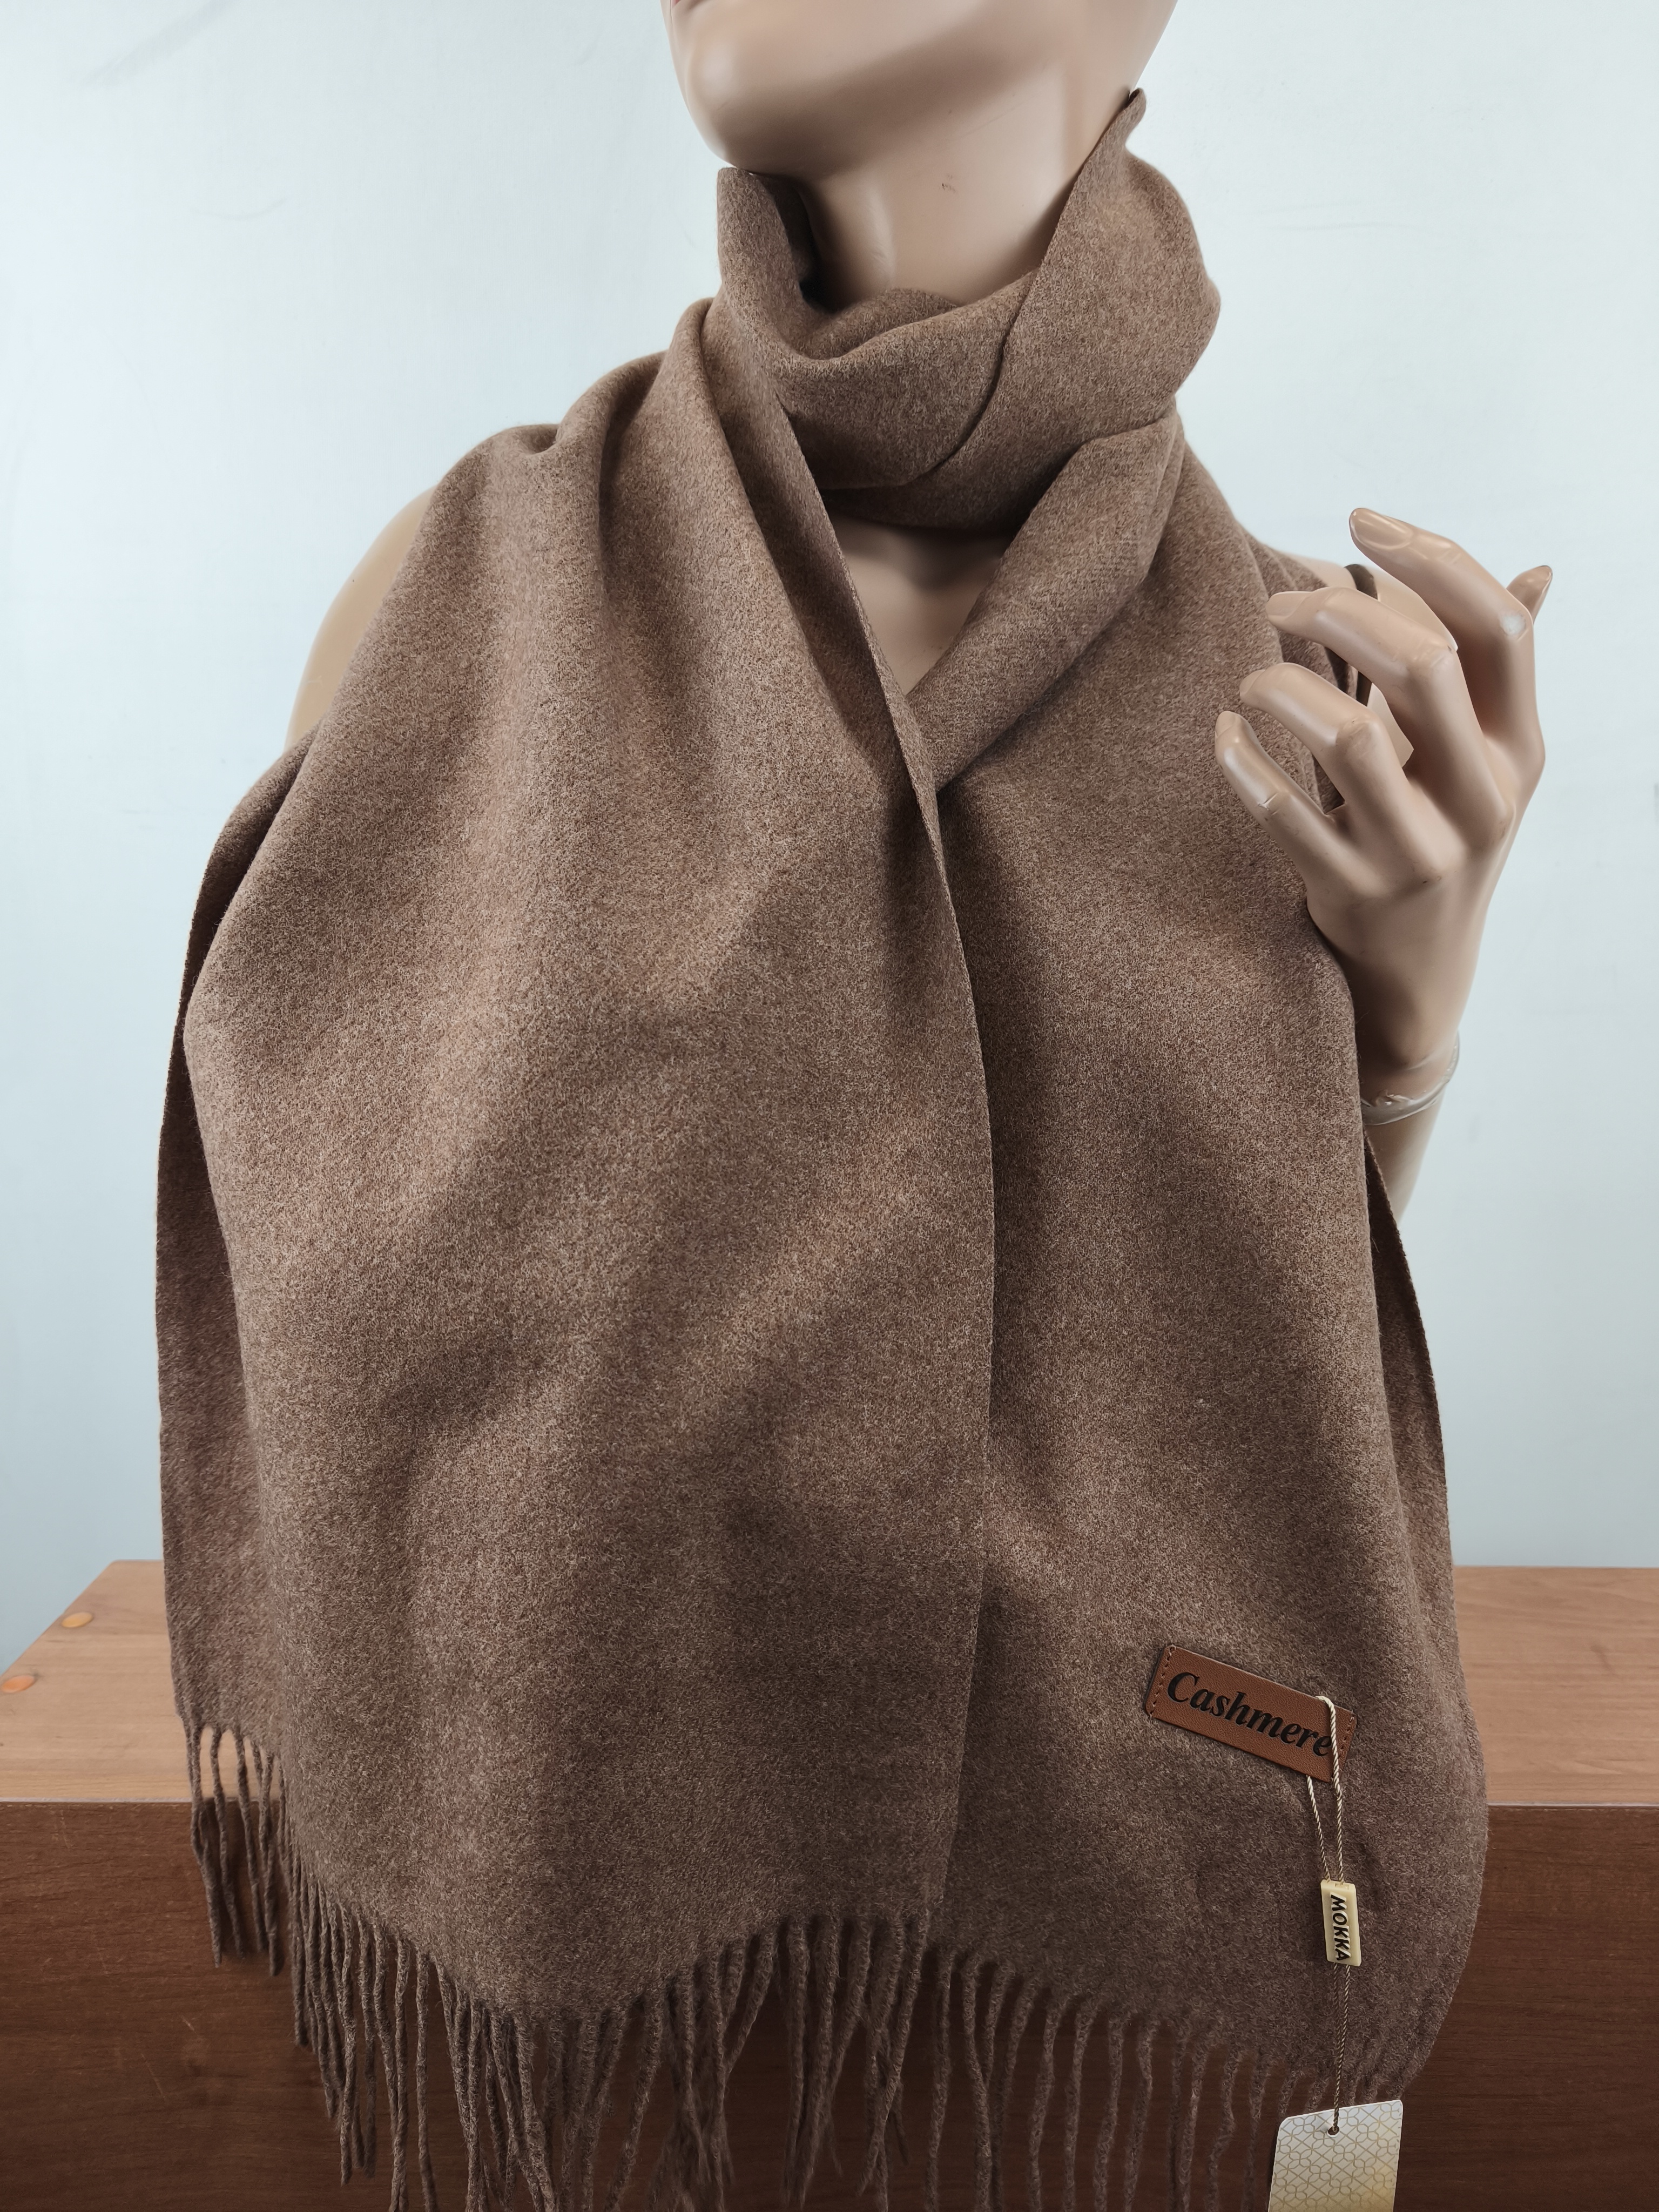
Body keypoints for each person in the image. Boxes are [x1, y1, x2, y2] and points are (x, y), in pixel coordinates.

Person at [161, 5, 1546, 2207]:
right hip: (584, 2065)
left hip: (1100, 2073)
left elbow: (1244, 1351)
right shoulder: (452, 614)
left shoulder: (1296, 692)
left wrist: (1402, 1025)